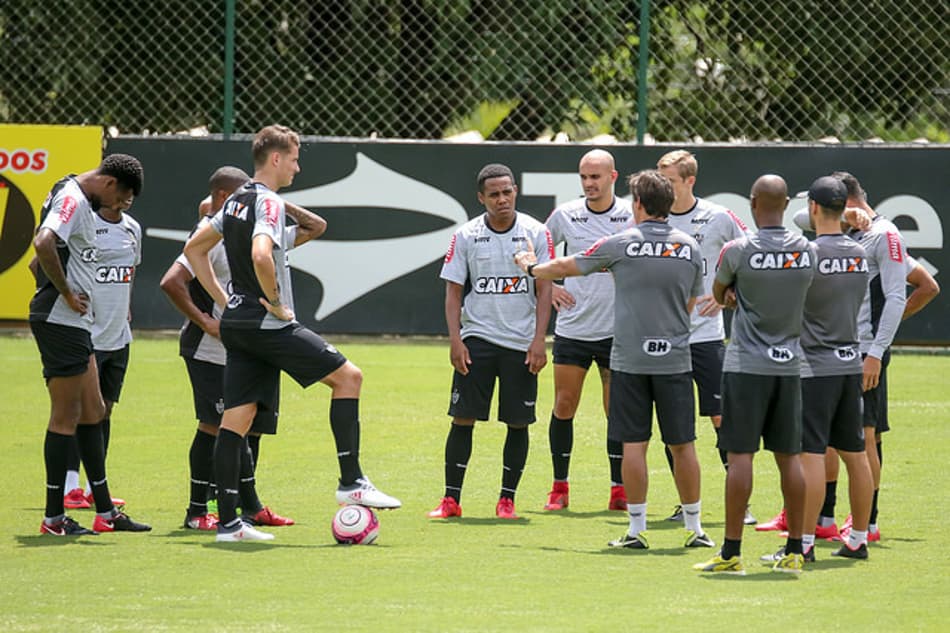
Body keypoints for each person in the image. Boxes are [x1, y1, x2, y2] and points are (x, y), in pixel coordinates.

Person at [184, 125, 400, 542]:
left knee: (237, 418)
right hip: (266, 322)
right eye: (295, 159)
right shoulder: (265, 203)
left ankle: (229, 524)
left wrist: (225, 299)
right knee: (349, 377)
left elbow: (195, 249)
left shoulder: (234, 204)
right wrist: (277, 301)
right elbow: (261, 253)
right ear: (277, 159)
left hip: (238, 324)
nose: (298, 168)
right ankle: (351, 480)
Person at [516, 169, 712, 550]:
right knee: (683, 445)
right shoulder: (689, 247)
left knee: (634, 445)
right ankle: (696, 527)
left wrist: (528, 265)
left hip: (630, 360)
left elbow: (564, 267)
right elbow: (690, 304)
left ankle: (636, 530)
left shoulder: (621, 243)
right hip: (674, 359)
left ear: (637, 204)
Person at [763, 171, 911, 542]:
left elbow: (897, 296)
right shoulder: (851, 237)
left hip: (862, 352)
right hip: (843, 353)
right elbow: (808, 219)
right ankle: (828, 521)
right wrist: (846, 217)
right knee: (837, 444)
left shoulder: (885, 235)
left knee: (860, 440)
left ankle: (866, 525)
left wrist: (877, 352)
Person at [161, 166, 302, 530]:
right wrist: (208, 322)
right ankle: (196, 512)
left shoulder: (255, 229)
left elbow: (315, 227)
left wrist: (276, 203)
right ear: (224, 198)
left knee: (247, 425)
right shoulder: (210, 236)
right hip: (207, 350)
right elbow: (172, 282)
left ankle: (247, 505)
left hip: (245, 346)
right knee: (214, 426)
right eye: (242, 194)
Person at [694, 174, 816, 575]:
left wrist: (732, 296)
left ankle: (731, 552)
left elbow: (718, 293)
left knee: (740, 456)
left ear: (752, 202)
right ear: (785, 206)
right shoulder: (807, 250)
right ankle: (796, 548)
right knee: (789, 459)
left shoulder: (737, 250)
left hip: (746, 365)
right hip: (790, 365)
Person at [30, 153, 151, 535]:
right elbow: (42, 243)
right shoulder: (73, 198)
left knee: (95, 411)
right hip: (60, 319)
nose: (116, 207)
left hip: (76, 322)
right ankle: (53, 518)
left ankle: (105, 511)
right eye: (118, 199)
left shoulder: (75, 193)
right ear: (110, 183)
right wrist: (65, 292)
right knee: (67, 416)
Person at [428, 163, 553, 520]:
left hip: (521, 343)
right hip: (478, 338)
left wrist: (539, 340)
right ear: (481, 198)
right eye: (494, 194)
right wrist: (456, 339)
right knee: (462, 418)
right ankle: (451, 500)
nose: (502, 199)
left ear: (516, 191)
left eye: (507, 192)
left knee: (518, 422)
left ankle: (507, 500)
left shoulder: (537, 232)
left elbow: (545, 291)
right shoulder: (466, 235)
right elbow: (453, 291)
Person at [656, 149, 757, 526]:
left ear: (689, 181)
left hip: (706, 339)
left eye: (670, 180)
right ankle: (687, 503)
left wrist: (728, 294)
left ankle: (741, 505)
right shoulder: (654, 218)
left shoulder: (717, 216)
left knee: (720, 417)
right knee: (673, 424)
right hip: (667, 339)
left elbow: (752, 253)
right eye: (660, 179)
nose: (663, 186)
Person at [541, 149, 632, 512]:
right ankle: (559, 487)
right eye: (584, 177)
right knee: (564, 405)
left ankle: (619, 489)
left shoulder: (630, 214)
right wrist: (551, 288)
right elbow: (536, 251)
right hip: (574, 328)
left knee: (617, 412)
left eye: (596, 176)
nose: (589, 183)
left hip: (618, 330)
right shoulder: (565, 214)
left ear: (613, 177)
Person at [61, 194, 141, 511]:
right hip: (88, 335)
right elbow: (40, 264)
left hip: (118, 337)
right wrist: (66, 297)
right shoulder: (83, 225)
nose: (130, 195)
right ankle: (70, 487)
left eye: (134, 190)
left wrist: (127, 305)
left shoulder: (133, 228)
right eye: (124, 188)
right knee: (78, 413)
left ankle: (97, 488)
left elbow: (130, 273)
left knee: (104, 411)